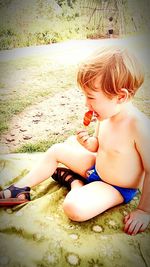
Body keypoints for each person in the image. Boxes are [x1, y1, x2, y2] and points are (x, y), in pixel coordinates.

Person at [0, 45, 150, 236]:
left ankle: (74, 182)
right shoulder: (106, 116)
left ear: (120, 96)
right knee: (57, 150)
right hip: (95, 167)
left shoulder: (139, 127)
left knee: (74, 208)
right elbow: (99, 145)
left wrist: (144, 211)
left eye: (91, 97)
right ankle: (20, 189)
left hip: (115, 187)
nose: (86, 104)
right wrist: (90, 144)